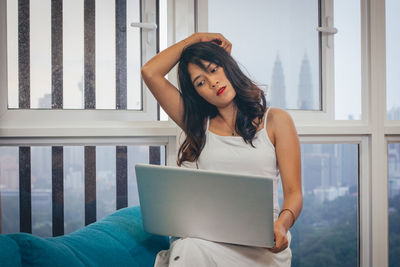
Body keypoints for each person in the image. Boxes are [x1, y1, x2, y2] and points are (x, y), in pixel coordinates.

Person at [141, 32, 302, 267]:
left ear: (228, 67)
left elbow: (294, 192)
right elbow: (150, 72)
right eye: (200, 82)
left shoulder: (276, 120)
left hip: (261, 247)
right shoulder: (196, 124)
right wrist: (195, 39)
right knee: (189, 248)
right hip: (208, 243)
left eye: (214, 69)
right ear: (197, 93)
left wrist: (282, 224)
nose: (213, 82)